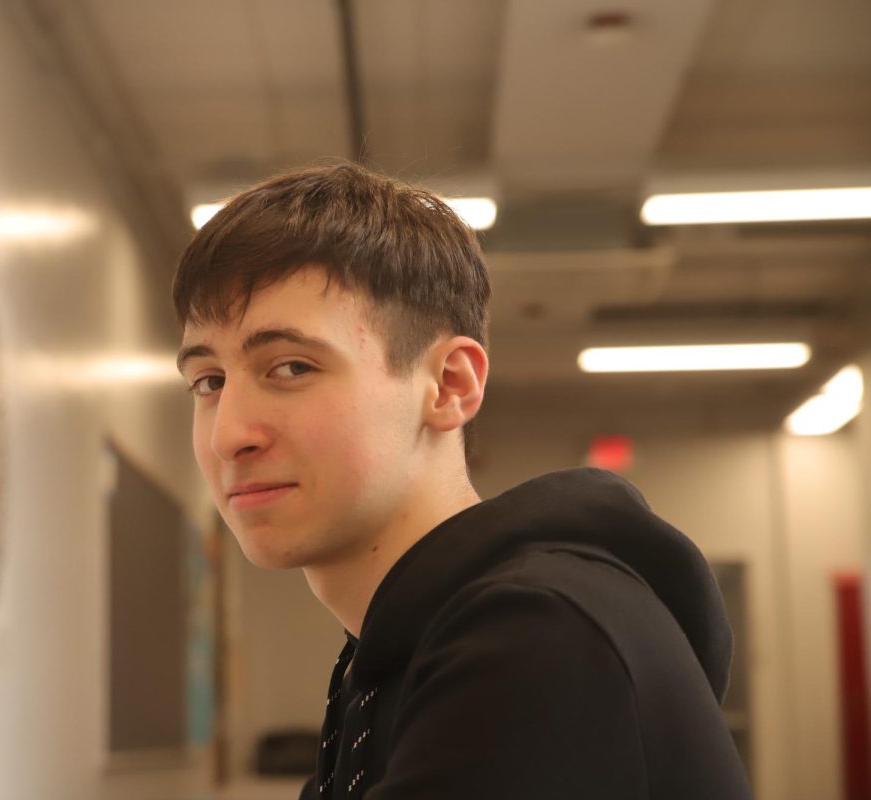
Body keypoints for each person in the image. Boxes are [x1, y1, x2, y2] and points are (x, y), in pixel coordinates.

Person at [172, 161, 752, 799]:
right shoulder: (401, 650)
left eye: (291, 367)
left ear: (449, 386)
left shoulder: (534, 637)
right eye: (209, 381)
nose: (230, 434)